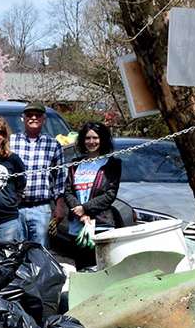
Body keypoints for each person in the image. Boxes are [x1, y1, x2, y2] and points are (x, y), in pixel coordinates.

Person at [7, 101, 65, 249]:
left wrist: (59, 208)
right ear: (23, 118)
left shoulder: (53, 145)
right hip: (15, 208)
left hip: (41, 209)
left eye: (38, 115)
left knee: (40, 253)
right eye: (29, 115)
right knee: (16, 251)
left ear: (43, 119)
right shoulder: (11, 141)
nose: (33, 118)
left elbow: (59, 179)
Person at [63, 121, 120, 269]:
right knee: (83, 269)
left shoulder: (112, 164)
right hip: (77, 226)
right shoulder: (75, 164)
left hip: (102, 226)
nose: (91, 142)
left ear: (102, 139)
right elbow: (68, 191)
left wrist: (86, 208)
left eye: (95, 138)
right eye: (88, 138)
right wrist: (80, 213)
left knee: (103, 269)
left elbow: (110, 194)